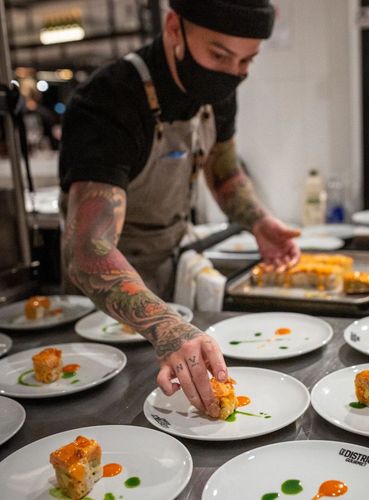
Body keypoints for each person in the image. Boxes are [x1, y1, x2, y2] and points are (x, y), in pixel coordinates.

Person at [59, 0, 301, 418]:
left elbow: (224, 171)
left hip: (169, 272)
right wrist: (168, 327)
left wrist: (259, 221)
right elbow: (87, 250)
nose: (233, 73)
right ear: (174, 28)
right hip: (104, 303)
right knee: (113, 415)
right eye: (219, 54)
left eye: (247, 60)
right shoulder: (109, 100)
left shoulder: (218, 92)